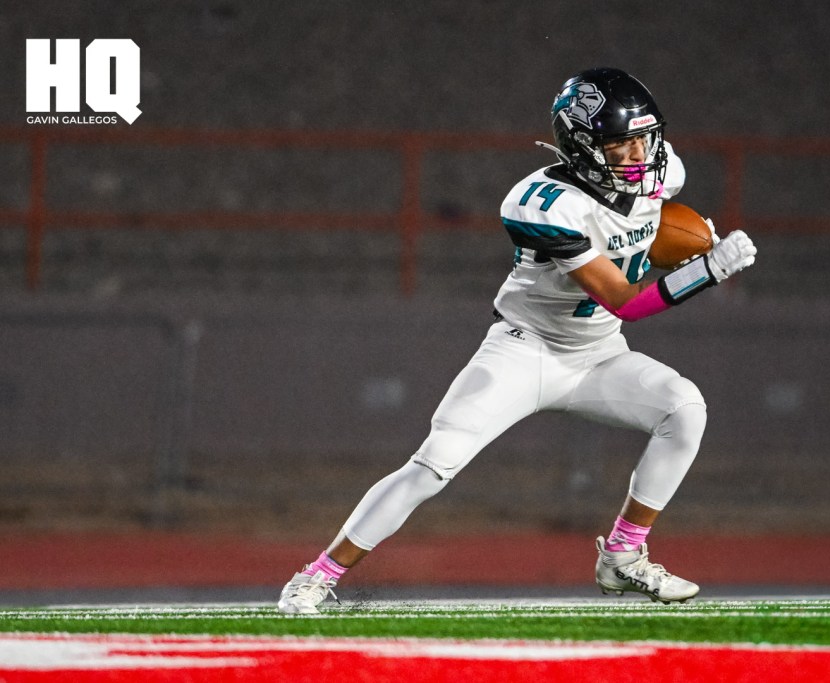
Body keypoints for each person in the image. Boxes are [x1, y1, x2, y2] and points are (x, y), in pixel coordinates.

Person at [277, 67, 756, 613]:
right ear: (582, 145)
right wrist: (704, 272)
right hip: (525, 350)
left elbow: (648, 233)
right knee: (434, 465)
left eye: (644, 138)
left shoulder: (661, 174)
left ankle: (623, 557)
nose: (638, 154)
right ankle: (317, 576)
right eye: (620, 142)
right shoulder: (542, 204)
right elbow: (622, 300)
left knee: (685, 408)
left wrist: (684, 246)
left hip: (599, 354)